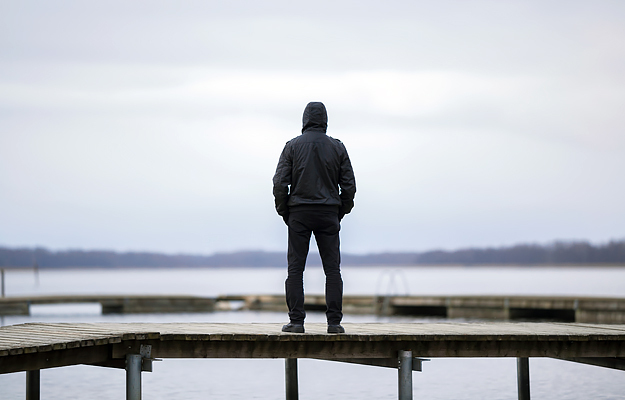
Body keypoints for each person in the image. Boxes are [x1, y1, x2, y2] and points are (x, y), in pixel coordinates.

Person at [272, 102, 356, 334]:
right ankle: (334, 323)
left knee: (295, 269)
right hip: (328, 212)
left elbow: (280, 183)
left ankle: (297, 322)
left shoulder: (292, 147)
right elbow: (349, 186)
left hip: (299, 212)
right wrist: (340, 211)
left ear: (305, 120)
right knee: (332, 269)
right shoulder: (337, 147)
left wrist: (285, 212)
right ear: (325, 120)